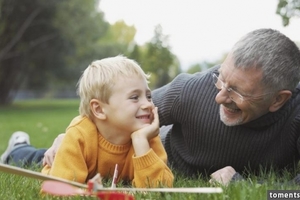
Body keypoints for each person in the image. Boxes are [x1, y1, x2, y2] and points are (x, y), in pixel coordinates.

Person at [0, 55, 174, 188]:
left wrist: (141, 142)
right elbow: (57, 190)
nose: (148, 104)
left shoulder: (146, 136)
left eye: (149, 96)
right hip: (59, 160)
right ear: (99, 109)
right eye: (135, 97)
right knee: (36, 158)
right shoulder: (80, 136)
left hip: (81, 161)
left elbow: (160, 189)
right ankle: (18, 147)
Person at [153, 28, 300, 185]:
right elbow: (126, 109)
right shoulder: (190, 89)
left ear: (278, 99)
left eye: (237, 91)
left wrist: (243, 185)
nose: (219, 98)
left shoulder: (296, 113)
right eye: (221, 78)